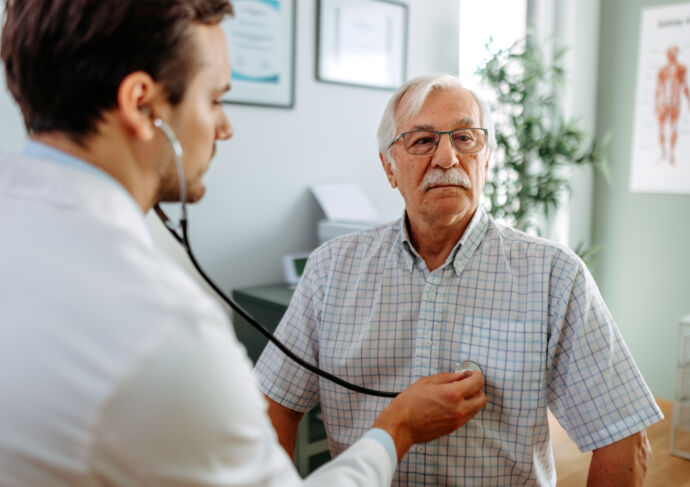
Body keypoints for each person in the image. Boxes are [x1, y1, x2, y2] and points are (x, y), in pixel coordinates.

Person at [0, 2, 488, 485]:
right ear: (142, 105)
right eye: (214, 99)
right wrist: (396, 428)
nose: (225, 127)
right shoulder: (167, 330)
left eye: (466, 138)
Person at [255, 74, 665, 486]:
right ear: (389, 167)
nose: (448, 158)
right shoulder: (331, 269)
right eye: (422, 141)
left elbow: (622, 434)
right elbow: (275, 405)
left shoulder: (555, 275)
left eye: (466, 138)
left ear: (486, 159)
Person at [655, 45, 690, 165]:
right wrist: (656, 104)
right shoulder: (662, 70)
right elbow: (658, 89)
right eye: (670, 53)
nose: (672, 56)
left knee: (673, 127)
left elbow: (685, 86)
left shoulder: (681, 69)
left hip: (675, 103)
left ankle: (672, 154)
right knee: (661, 128)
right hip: (663, 103)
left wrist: (688, 101)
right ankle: (663, 153)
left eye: (674, 53)